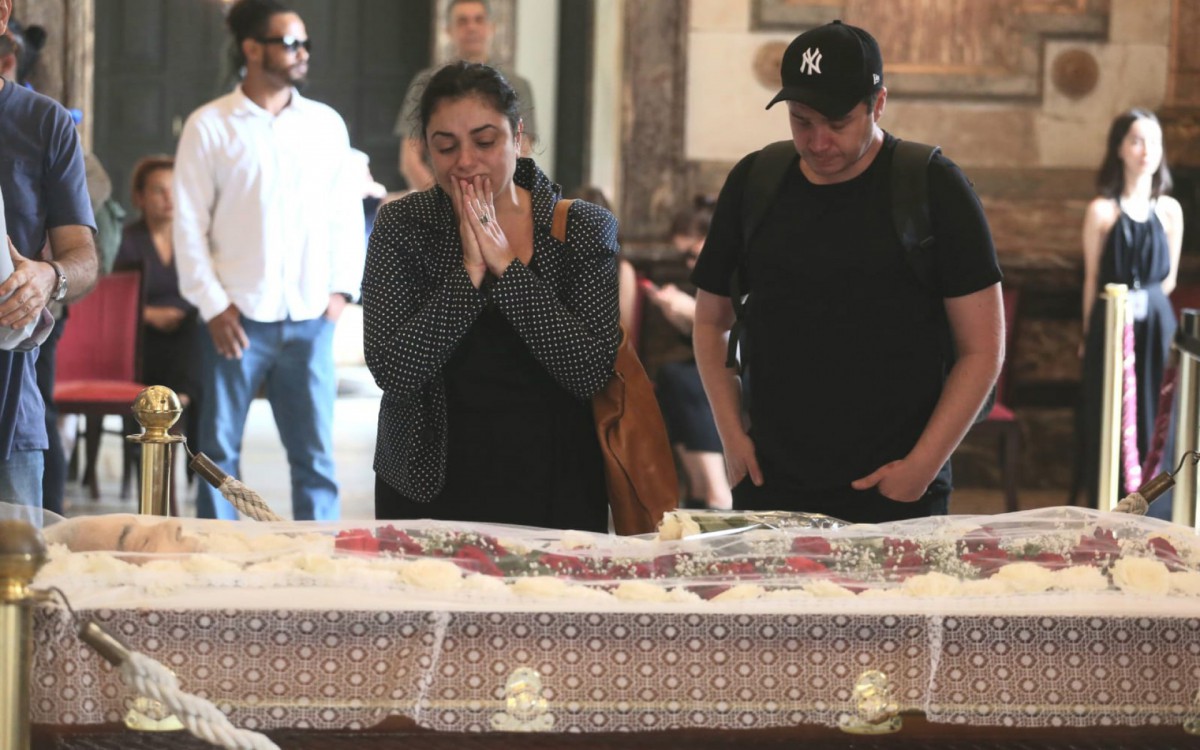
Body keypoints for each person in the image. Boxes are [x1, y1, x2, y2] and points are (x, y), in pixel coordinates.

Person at [691, 21, 1003, 524]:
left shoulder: (933, 187)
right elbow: (710, 323)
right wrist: (731, 439)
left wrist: (920, 470)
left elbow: (982, 350)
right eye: (801, 121)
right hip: (771, 483)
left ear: (878, 104)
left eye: (837, 123)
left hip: (896, 489)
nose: (817, 141)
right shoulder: (755, 182)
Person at [364, 61, 619, 532]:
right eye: (446, 146)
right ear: (426, 148)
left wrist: (506, 267)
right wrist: (469, 275)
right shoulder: (402, 225)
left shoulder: (581, 227)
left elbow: (588, 371)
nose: (465, 161)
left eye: (485, 141)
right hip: (428, 481)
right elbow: (393, 370)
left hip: (554, 480)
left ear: (517, 136)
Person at [173, 0, 365, 521]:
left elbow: (345, 215)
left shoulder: (326, 125)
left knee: (315, 458)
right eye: (289, 42)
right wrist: (213, 306)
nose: (302, 52)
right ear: (251, 48)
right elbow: (187, 225)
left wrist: (340, 293)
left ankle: (316, 568)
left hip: (309, 319)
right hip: (235, 320)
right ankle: (220, 563)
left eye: (304, 42)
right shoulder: (209, 126)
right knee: (218, 457)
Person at [0, 0, 99, 513]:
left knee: (18, 581)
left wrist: (48, 277)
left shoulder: (44, 122)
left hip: (11, 401)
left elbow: (82, 255)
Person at [1079, 109, 1183, 511]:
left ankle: (1159, 506)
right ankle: (1110, 501)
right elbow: (1091, 279)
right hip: (1113, 324)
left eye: (1153, 142)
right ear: (1120, 148)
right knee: (1112, 414)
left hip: (1157, 326)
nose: (1146, 151)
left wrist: (1149, 305)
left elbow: (1169, 278)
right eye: (1137, 141)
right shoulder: (1101, 212)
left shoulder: (1170, 210)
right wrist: (1088, 336)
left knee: (1160, 411)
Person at [394, 0, 537, 191]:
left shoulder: (517, 85)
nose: (471, 28)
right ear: (448, 30)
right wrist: (444, 205)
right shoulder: (426, 83)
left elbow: (523, 154)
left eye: (479, 20)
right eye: (462, 21)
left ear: (491, 27)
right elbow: (410, 160)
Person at [115, 155, 202, 461]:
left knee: (197, 331)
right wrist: (148, 315)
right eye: (158, 190)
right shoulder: (126, 241)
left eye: (174, 189)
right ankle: (174, 402)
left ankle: (181, 397)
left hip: (187, 334)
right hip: (141, 337)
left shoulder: (195, 240)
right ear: (139, 197)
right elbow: (111, 301)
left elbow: (207, 291)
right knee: (156, 344)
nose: (168, 198)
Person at [650, 197, 731, 510]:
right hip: (728, 360)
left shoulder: (743, 264)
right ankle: (698, 488)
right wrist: (682, 318)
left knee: (686, 379)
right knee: (671, 376)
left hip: (759, 365)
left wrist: (691, 311)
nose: (688, 264)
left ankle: (718, 492)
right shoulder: (711, 275)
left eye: (692, 254)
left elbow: (746, 332)